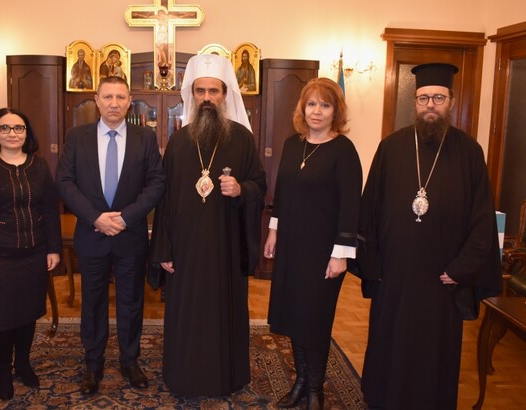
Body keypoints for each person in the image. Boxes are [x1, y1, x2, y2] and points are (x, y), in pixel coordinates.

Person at [357, 63, 503, 409]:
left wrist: (462, 268)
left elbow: (482, 218)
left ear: (451, 101)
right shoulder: (391, 147)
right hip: (395, 275)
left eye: (439, 97)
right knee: (390, 342)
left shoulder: (470, 152)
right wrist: (373, 264)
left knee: (433, 351)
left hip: (442, 278)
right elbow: (369, 209)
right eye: (424, 98)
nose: (430, 105)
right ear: (415, 102)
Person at [149, 53, 266, 396]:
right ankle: (183, 376)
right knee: (186, 312)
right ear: (192, 94)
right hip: (185, 249)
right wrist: (163, 248)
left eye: (214, 91)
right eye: (200, 91)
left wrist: (241, 189)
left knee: (223, 311)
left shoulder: (242, 139)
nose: (207, 98)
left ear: (225, 95)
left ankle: (224, 377)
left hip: (225, 246)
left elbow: (260, 185)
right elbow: (164, 200)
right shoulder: (178, 141)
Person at [56, 76, 165, 395]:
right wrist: (95, 218)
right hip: (92, 234)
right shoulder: (76, 137)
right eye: (108, 97)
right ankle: (93, 364)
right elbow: (64, 182)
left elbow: (157, 182)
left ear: (129, 101)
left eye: (120, 97)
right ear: (96, 100)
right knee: (92, 302)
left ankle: (130, 361)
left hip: (130, 236)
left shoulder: (145, 138)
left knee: (131, 302)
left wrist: (126, 218)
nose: (114, 103)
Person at [263, 78, 362, 410]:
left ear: (336, 111)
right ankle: (301, 382)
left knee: (315, 319)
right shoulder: (293, 144)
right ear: (302, 108)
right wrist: (273, 232)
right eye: (311, 104)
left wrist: (341, 255)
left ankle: (316, 388)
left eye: (325, 105)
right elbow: (281, 193)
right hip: (292, 247)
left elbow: (351, 206)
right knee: (294, 315)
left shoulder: (343, 150)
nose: (317, 111)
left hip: (324, 253)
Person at [0, 108, 62, 400]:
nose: (12, 133)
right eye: (4, 128)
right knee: (2, 318)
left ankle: (23, 363)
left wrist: (54, 248)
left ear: (26, 133)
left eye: (18, 128)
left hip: (34, 255)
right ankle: (4, 371)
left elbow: (50, 210)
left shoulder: (38, 165)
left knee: (28, 314)